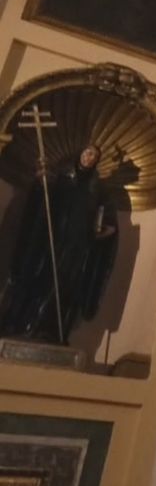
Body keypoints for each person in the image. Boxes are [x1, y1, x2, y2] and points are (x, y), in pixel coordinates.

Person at [1, 145, 118, 344]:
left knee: (63, 289)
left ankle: (50, 330)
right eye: (87, 153)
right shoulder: (62, 180)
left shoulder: (97, 189)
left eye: (94, 156)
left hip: (75, 249)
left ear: (97, 162)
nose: (89, 158)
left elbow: (104, 221)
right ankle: (23, 325)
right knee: (38, 280)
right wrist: (42, 182)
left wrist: (101, 233)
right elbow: (41, 203)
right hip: (50, 243)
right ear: (80, 154)